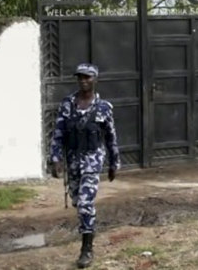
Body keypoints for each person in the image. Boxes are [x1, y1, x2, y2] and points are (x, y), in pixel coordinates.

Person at [50, 63, 120, 268]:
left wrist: (114, 162)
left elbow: (110, 136)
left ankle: (86, 249)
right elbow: (58, 133)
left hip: (92, 160)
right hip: (73, 159)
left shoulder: (104, 107)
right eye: (80, 77)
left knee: (84, 203)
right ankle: (87, 228)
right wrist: (55, 159)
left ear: (95, 79)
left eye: (88, 77)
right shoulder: (67, 104)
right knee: (76, 202)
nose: (83, 80)